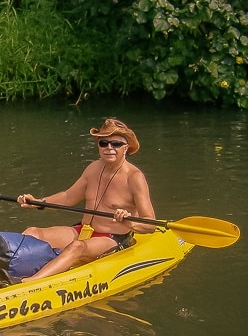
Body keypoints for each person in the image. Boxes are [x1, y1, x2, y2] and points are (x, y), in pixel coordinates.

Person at [16, 118, 156, 281]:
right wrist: (38, 202)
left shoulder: (135, 177)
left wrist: (129, 223)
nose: (109, 148)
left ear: (126, 148)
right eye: (103, 143)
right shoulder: (93, 168)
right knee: (32, 232)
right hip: (83, 230)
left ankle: (31, 282)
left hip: (112, 239)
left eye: (116, 144)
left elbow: (150, 223)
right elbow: (68, 197)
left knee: (76, 247)